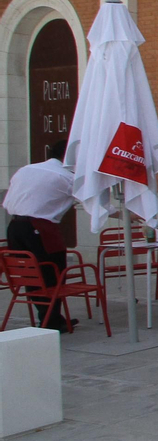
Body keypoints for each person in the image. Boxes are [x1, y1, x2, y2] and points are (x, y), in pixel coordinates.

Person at [3, 141, 77, 329]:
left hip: (14, 225)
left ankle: (49, 317)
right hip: (41, 227)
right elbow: (93, 201)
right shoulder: (65, 177)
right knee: (52, 272)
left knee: (31, 273)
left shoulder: (26, 169)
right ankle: (51, 321)